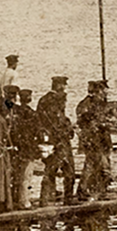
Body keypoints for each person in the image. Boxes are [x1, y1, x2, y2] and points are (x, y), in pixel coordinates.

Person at [38, 76, 75, 204]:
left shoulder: (43, 100)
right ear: (59, 86)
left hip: (48, 141)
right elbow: (58, 122)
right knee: (68, 169)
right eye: (63, 86)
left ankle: (46, 197)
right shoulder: (56, 100)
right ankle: (68, 198)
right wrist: (68, 128)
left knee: (50, 170)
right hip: (59, 141)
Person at [76, 80, 112, 200]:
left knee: (99, 166)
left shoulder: (98, 103)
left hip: (100, 140)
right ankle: (85, 190)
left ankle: (97, 191)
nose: (105, 93)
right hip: (94, 140)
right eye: (103, 91)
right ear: (98, 91)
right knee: (94, 166)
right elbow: (87, 123)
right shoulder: (88, 104)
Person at [10, 89, 41, 209]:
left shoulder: (15, 111)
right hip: (28, 148)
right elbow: (37, 131)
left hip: (17, 147)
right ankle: (24, 201)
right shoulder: (31, 113)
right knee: (26, 176)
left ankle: (17, 199)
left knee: (17, 175)